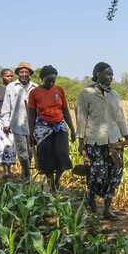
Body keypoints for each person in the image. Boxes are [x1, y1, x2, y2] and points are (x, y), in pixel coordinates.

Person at [76, 62, 128, 220]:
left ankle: (107, 209)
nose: (111, 77)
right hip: (94, 140)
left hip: (115, 141)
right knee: (97, 174)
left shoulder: (114, 95)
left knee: (114, 174)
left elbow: (120, 118)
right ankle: (91, 193)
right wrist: (81, 141)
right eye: (108, 74)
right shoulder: (86, 93)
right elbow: (81, 118)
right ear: (98, 74)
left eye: (112, 74)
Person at [28, 65, 75, 193]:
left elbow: (65, 110)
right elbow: (31, 114)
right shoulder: (34, 93)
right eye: (48, 80)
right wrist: (30, 132)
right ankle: (51, 183)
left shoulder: (59, 90)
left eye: (53, 80)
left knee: (62, 154)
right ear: (42, 78)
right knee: (46, 156)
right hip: (43, 128)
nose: (50, 83)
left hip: (59, 126)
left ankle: (57, 179)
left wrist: (72, 129)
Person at [1, 62, 38, 183]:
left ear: (29, 74)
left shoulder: (35, 87)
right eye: (21, 72)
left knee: (30, 150)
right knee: (22, 151)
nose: (24, 74)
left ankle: (24, 170)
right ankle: (27, 175)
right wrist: (6, 123)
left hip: (32, 125)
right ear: (18, 74)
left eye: (26, 72)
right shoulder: (11, 87)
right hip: (17, 124)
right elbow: (6, 106)